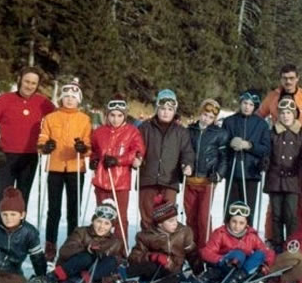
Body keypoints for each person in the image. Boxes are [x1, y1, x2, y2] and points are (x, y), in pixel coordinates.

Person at [0, 66, 55, 221]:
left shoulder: (43, 103)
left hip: (30, 157)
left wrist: (49, 142)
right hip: (6, 157)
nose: (29, 86)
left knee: (22, 200)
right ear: (19, 80)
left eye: (34, 83)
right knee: (4, 199)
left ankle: (18, 239)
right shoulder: (5, 99)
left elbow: (58, 122)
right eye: (27, 81)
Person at [38, 79, 92, 261]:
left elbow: (88, 143)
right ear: (61, 98)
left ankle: (72, 244)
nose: (69, 100)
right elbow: (42, 138)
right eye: (66, 96)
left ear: (79, 100)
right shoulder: (51, 118)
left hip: (76, 168)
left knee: (73, 209)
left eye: (73, 97)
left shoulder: (84, 119)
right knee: (54, 209)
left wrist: (83, 149)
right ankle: (50, 245)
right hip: (55, 167)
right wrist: (45, 147)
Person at [28, 200, 124, 283]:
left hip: (88, 278)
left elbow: (115, 267)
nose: (102, 226)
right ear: (93, 220)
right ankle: (49, 279)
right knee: (86, 257)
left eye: (107, 223)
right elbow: (64, 251)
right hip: (69, 270)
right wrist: (87, 249)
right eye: (99, 221)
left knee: (112, 260)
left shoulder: (115, 242)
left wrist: (109, 279)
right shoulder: (81, 232)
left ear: (112, 226)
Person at [89, 95, 145, 250]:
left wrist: (118, 160)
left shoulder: (132, 131)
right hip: (101, 179)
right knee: (102, 217)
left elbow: (138, 151)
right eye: (112, 115)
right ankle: (100, 248)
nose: (115, 119)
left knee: (120, 218)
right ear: (107, 115)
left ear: (125, 115)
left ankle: (120, 250)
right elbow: (93, 149)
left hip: (120, 182)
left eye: (119, 115)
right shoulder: (99, 132)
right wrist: (93, 159)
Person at [138, 89, 194, 230]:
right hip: (148, 178)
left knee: (167, 217)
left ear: (174, 111)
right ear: (157, 108)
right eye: (162, 108)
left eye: (170, 109)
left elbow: (187, 152)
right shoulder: (145, 128)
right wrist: (137, 157)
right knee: (147, 214)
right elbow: (137, 147)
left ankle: (165, 248)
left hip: (169, 180)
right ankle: (146, 247)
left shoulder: (181, 131)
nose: (166, 112)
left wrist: (188, 164)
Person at [196, 201, 275, 283]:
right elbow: (206, 252)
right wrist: (222, 259)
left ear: (247, 224)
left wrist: (266, 264)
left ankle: (236, 279)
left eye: (241, 223)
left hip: (241, 270)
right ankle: (219, 279)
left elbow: (266, 251)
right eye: (234, 221)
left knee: (260, 254)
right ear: (229, 220)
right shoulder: (221, 233)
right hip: (226, 266)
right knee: (239, 254)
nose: (237, 226)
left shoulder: (251, 236)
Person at [265, 95, 302, 248]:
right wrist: (265, 161)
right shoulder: (272, 133)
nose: (285, 116)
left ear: (294, 114)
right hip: (275, 178)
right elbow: (267, 151)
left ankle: (291, 243)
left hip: (292, 179)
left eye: (289, 113)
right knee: (276, 214)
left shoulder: (301, 134)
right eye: (282, 113)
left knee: (291, 214)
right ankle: (277, 243)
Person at [126, 196, 196, 283]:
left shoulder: (184, 232)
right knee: (149, 266)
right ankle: (121, 277)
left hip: (173, 270)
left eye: (176, 219)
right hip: (155, 269)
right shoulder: (147, 235)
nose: (175, 223)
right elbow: (133, 257)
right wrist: (152, 256)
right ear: (160, 223)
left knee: (174, 282)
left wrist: (199, 271)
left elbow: (192, 253)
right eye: (170, 221)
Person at [185, 98, 229, 249]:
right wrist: (184, 165)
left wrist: (218, 174)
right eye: (204, 115)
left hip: (207, 181)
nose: (206, 119)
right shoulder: (190, 130)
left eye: (211, 117)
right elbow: (185, 152)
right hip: (191, 180)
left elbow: (224, 158)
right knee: (190, 216)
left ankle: (205, 248)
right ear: (200, 113)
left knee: (203, 217)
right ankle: (191, 249)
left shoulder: (219, 134)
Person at [222, 91, 271, 225]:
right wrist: (229, 142)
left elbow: (266, 149)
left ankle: (247, 238)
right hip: (233, 170)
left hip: (251, 172)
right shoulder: (229, 121)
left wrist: (249, 145)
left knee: (247, 209)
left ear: (255, 106)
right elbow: (221, 145)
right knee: (231, 209)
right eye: (245, 103)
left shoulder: (261, 125)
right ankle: (227, 238)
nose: (247, 107)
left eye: (251, 104)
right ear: (240, 103)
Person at [258, 64, 302, 131]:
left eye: (291, 78)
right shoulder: (272, 97)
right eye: (285, 78)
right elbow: (258, 116)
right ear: (281, 79)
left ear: (297, 78)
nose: (288, 81)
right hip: (278, 139)